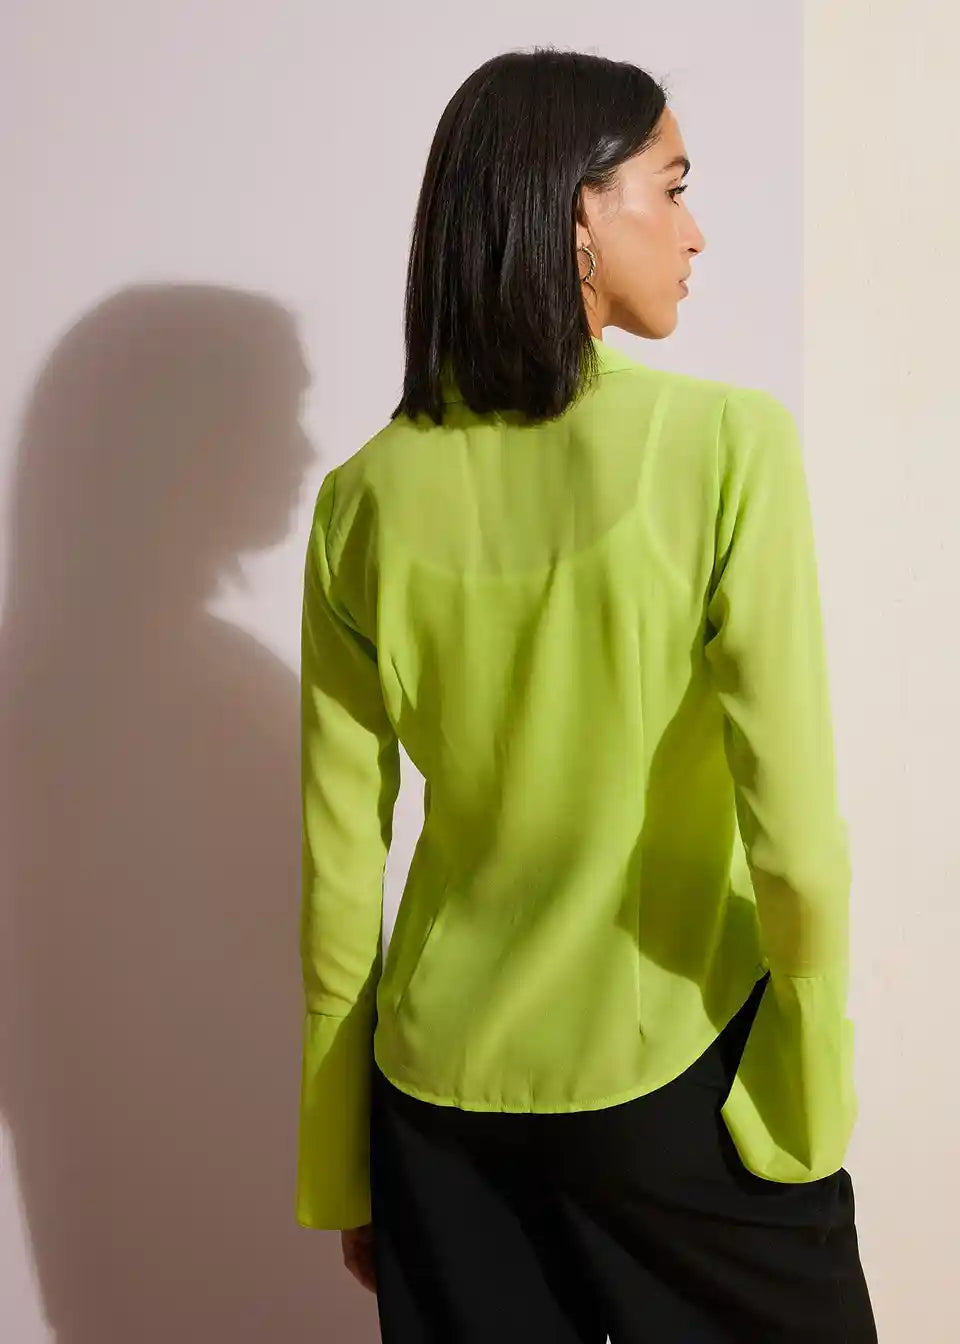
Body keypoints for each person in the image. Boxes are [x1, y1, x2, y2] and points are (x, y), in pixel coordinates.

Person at [294, 45, 878, 1342]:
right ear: (576, 212)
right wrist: (807, 1079)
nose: (695, 231)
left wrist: (346, 1156)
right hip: (676, 1071)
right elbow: (792, 829)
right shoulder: (726, 444)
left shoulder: (358, 501)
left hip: (436, 1103)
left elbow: (339, 866)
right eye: (671, 188)